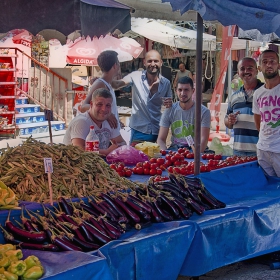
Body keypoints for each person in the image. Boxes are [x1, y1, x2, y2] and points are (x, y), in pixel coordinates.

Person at [112, 50, 173, 144]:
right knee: (137, 158)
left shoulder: (166, 83)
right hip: (138, 131)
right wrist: (102, 79)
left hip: (158, 131)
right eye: (149, 61)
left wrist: (169, 104)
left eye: (156, 61)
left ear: (161, 63)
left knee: (156, 158)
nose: (153, 64)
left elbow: (169, 109)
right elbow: (117, 84)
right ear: (144, 62)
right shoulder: (135, 76)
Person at [63, 88, 126, 156]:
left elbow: (122, 142)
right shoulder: (81, 122)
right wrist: (106, 152)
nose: (104, 109)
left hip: (98, 164)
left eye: (108, 105)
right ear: (91, 104)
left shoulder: (109, 120)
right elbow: (78, 150)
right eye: (99, 104)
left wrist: (117, 146)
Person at [157, 76, 211, 152]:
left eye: (186, 90)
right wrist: (165, 154)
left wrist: (195, 156)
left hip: (197, 148)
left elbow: (203, 140)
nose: (183, 93)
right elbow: (160, 139)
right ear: (176, 91)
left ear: (193, 91)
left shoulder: (204, 111)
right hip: (176, 149)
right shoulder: (169, 110)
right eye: (180, 90)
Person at [224, 57, 263, 156]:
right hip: (238, 151)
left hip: (260, 152)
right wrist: (229, 120)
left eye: (250, 68)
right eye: (242, 69)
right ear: (238, 72)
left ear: (257, 70)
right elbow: (227, 121)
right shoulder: (234, 96)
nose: (246, 71)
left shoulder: (265, 92)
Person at [252, 49, 280, 177]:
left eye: (272, 61)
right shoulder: (258, 93)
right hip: (263, 149)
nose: (269, 65)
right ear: (259, 67)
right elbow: (258, 120)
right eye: (265, 62)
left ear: (278, 65)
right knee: (268, 190)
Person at [80, 50, 121, 129]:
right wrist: (108, 115)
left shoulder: (106, 83)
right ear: (115, 65)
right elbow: (83, 107)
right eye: (119, 63)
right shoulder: (100, 84)